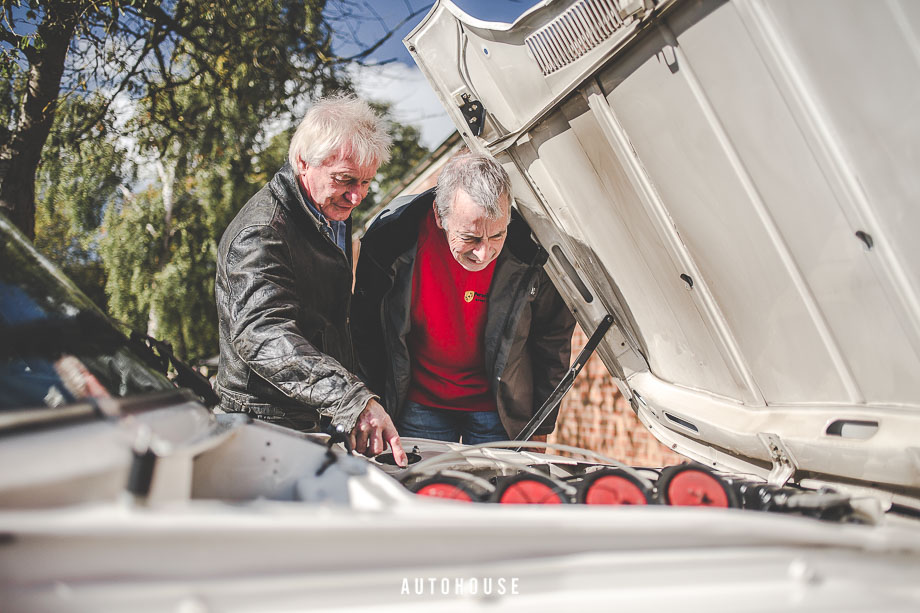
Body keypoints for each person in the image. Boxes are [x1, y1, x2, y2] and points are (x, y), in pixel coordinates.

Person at [215, 94, 407, 466]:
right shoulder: (261, 232)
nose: (357, 196)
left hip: (310, 413)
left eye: (366, 182)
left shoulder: (327, 206)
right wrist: (350, 398)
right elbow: (262, 334)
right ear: (304, 162)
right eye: (345, 180)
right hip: (264, 423)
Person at [353, 152, 575, 444]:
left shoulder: (531, 247)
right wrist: (367, 403)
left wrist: (541, 425)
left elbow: (552, 337)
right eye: (470, 238)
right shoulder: (391, 238)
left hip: (501, 410)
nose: (483, 253)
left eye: (497, 235)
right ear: (439, 215)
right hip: (417, 403)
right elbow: (364, 331)